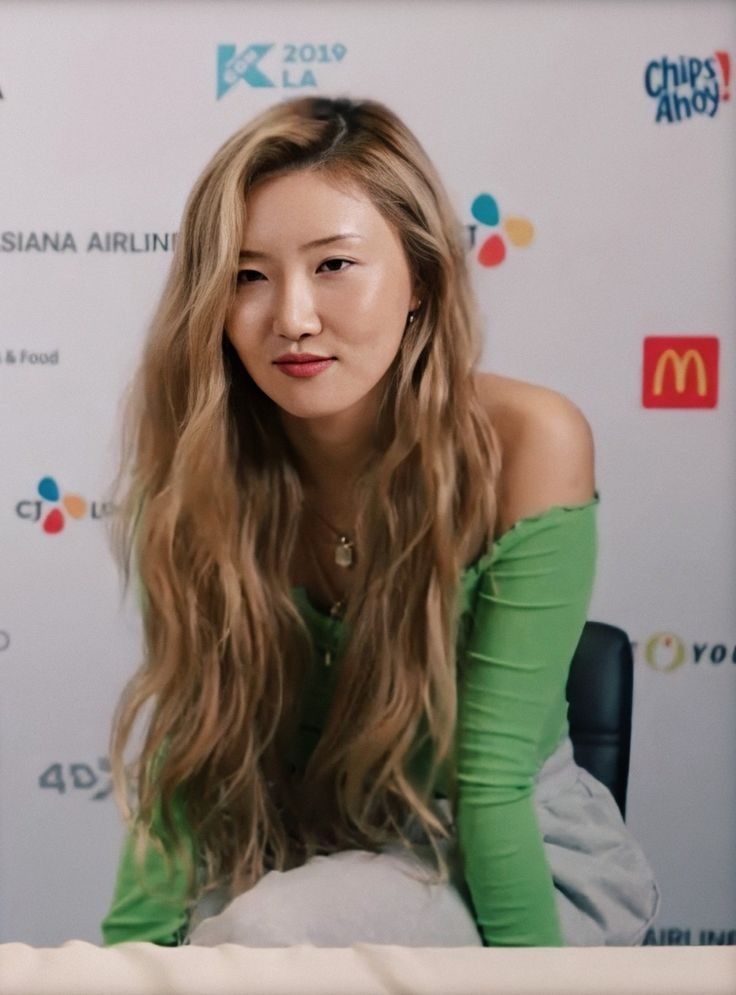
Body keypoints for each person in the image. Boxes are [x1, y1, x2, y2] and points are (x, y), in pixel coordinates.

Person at [101, 95, 660, 948]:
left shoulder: (529, 441)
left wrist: (537, 984)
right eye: (247, 275)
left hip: (499, 857)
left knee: (264, 936)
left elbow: (491, 784)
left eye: (332, 266)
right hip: (300, 856)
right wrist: (126, 965)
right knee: (224, 946)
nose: (290, 316)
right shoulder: (197, 472)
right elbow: (191, 769)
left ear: (421, 279)